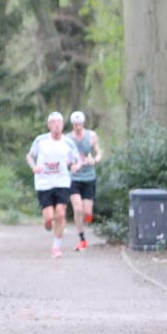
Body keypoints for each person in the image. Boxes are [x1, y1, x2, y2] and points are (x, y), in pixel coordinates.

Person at [25, 111, 81, 258]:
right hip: (44, 182)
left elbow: (77, 159)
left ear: (62, 125)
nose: (56, 125)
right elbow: (29, 156)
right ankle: (47, 221)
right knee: (49, 216)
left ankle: (56, 247)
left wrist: (76, 166)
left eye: (59, 122)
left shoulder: (68, 142)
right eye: (53, 122)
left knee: (61, 214)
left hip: (62, 181)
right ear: (49, 125)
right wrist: (34, 167)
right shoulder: (41, 140)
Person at [66, 110, 102, 251]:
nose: (78, 127)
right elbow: (65, 156)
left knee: (87, 212)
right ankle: (82, 239)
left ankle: (88, 217)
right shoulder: (67, 138)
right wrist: (71, 164)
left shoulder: (91, 136)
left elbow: (99, 153)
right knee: (78, 208)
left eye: (80, 124)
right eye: (75, 125)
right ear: (72, 125)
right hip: (74, 178)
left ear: (83, 124)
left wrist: (95, 160)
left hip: (89, 177)